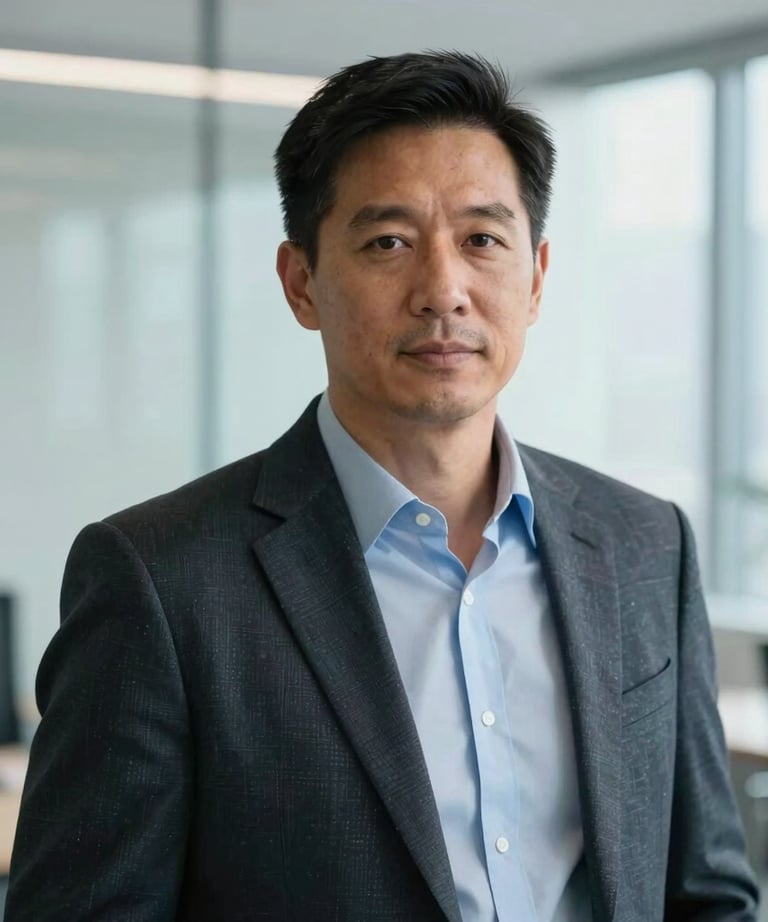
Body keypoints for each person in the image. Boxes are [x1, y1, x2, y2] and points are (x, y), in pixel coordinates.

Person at [6, 51, 758, 922]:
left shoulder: (644, 544)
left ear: (537, 277)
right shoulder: (162, 579)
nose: (444, 290)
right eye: (388, 242)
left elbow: (705, 893)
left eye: (482, 239)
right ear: (301, 284)